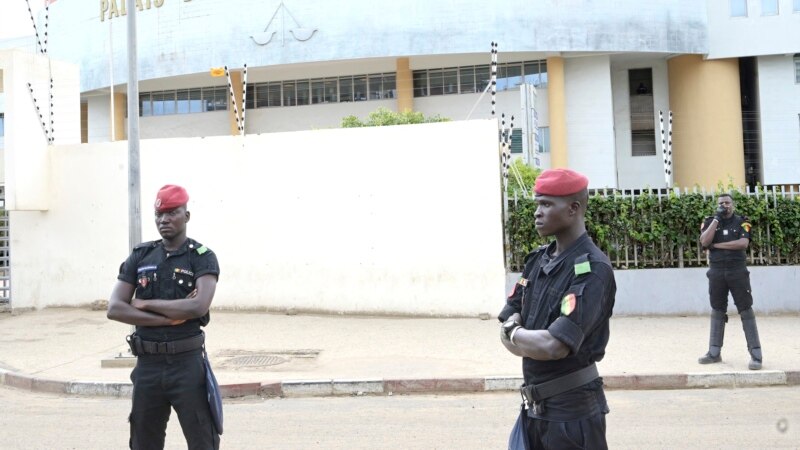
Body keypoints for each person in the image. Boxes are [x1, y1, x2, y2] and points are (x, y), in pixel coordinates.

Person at [499, 168, 616, 450]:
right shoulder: (538, 261)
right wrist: (519, 334)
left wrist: (515, 333)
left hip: (572, 415)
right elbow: (507, 318)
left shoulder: (592, 271)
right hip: (534, 410)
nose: (537, 212)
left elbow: (553, 346)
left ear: (573, 208)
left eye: (547, 204)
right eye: (537, 203)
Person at [107, 184, 221, 449]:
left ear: (186, 216)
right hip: (148, 366)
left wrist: (145, 304)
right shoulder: (141, 255)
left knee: (203, 441)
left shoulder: (201, 258)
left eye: (172, 213)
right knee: (143, 441)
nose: (164, 220)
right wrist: (168, 318)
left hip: (187, 366)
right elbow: (115, 308)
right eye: (159, 214)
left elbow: (198, 307)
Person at [698, 193, 762, 370]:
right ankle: (714, 352)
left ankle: (756, 354)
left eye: (727, 203)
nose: (724, 205)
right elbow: (704, 241)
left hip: (737, 271)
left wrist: (716, 246)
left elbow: (742, 244)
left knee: (745, 309)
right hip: (717, 271)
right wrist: (717, 219)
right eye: (721, 203)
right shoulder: (710, 221)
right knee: (717, 309)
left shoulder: (742, 221)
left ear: (732, 205)